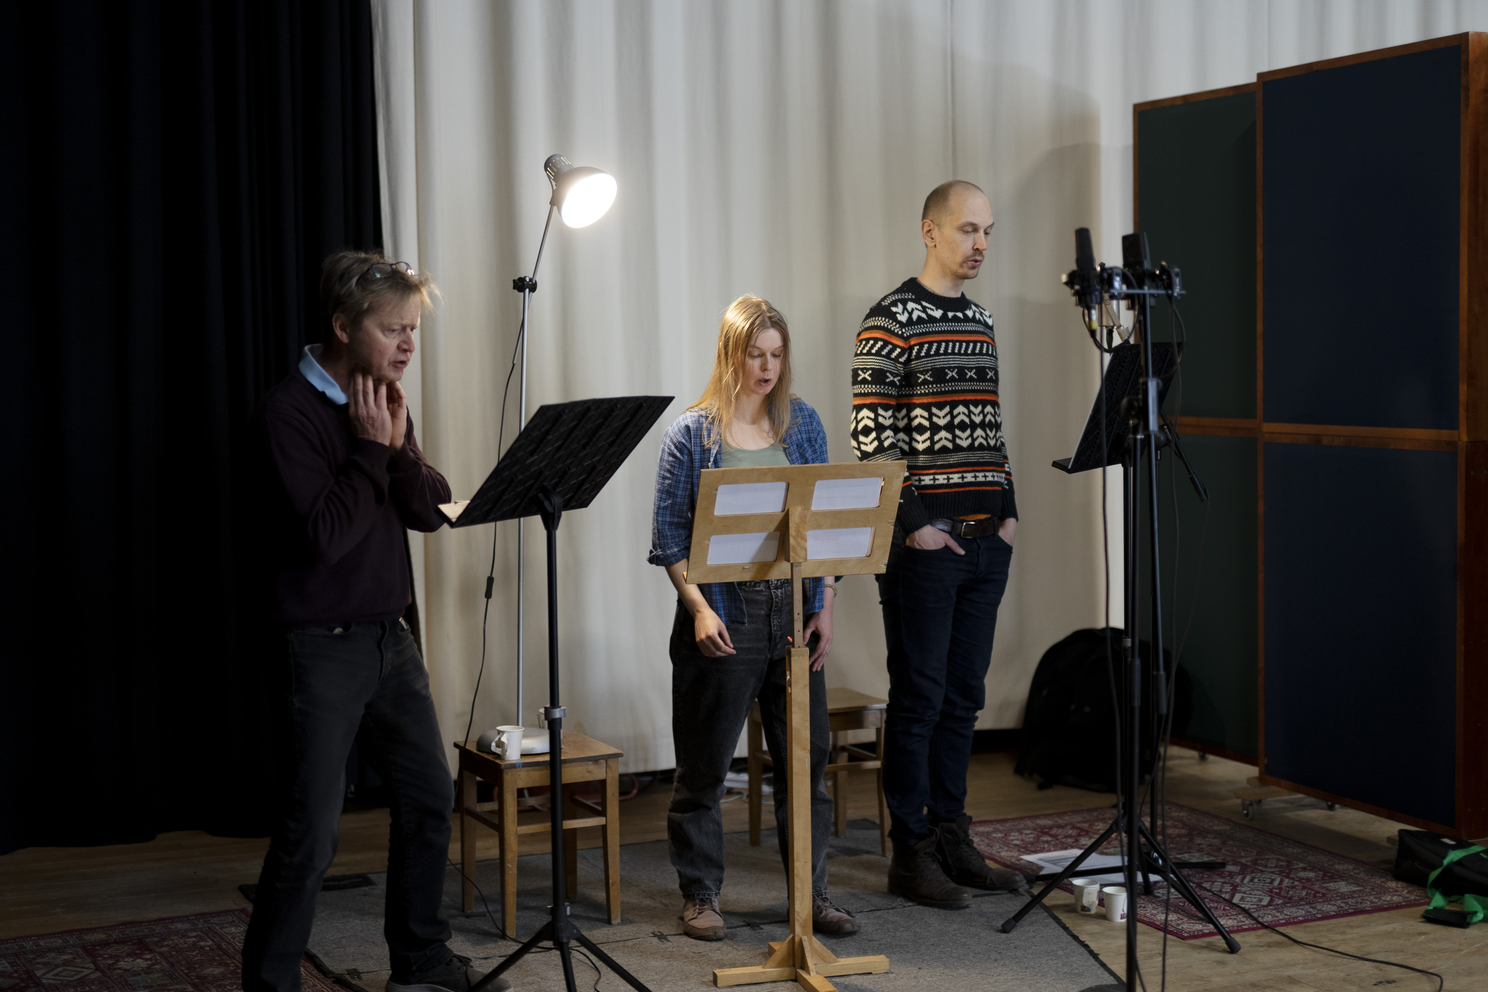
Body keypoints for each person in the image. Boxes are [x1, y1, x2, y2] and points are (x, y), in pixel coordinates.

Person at [242, 251, 508, 992]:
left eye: (413, 329)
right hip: (317, 648)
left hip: (391, 638)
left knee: (430, 797)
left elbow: (427, 509)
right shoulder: (286, 415)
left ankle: (419, 962)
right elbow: (327, 536)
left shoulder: (386, 401)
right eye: (394, 329)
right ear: (342, 326)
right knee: (310, 834)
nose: (408, 344)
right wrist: (369, 449)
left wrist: (394, 449)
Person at [649, 295, 858, 940]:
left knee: (806, 766)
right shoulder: (692, 435)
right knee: (705, 768)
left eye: (776, 355)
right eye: (755, 355)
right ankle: (701, 894)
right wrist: (700, 610)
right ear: (730, 355)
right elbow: (669, 539)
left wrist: (825, 605)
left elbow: (824, 525)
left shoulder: (802, 424)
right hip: (723, 613)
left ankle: (812, 896)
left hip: (794, 614)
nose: (767, 368)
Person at [850, 181, 1029, 909]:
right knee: (919, 700)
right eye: (966, 230)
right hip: (924, 547)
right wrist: (916, 523)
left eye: (987, 231)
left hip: (988, 543)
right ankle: (911, 851)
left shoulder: (980, 321)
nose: (980, 243)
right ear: (929, 232)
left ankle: (954, 837)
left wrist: (1009, 510)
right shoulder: (889, 320)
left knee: (964, 700)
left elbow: (991, 425)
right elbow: (872, 437)